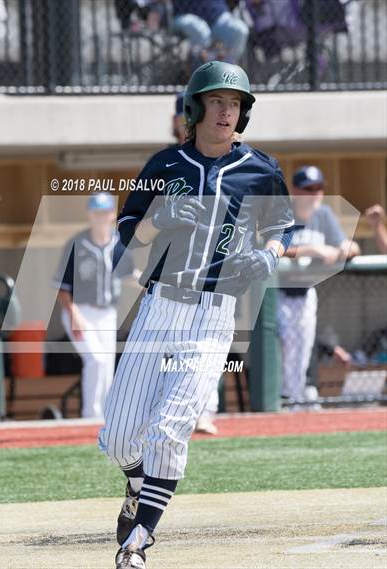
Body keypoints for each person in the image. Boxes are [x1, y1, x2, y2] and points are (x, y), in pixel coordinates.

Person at [98, 60, 294, 568]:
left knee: (169, 430)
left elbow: (283, 227)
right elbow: (128, 236)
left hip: (213, 315)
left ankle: (137, 542)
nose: (227, 111)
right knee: (118, 440)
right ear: (196, 107)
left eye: (235, 103)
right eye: (217, 101)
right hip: (159, 306)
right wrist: (157, 217)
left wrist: (269, 255)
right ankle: (137, 487)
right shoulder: (164, 165)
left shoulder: (261, 169)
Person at [277, 165, 360, 407]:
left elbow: (350, 247)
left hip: (305, 294)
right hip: (275, 295)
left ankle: (296, 399)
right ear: (295, 190)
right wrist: (310, 250)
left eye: (318, 188)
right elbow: (267, 247)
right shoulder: (283, 213)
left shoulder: (323, 215)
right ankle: (282, 400)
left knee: (302, 351)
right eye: (308, 189)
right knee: (282, 352)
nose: (314, 194)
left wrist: (346, 248)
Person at [53, 194, 136, 419]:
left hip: (107, 313)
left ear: (112, 214)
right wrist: (73, 315)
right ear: (90, 215)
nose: (101, 217)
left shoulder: (118, 243)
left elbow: (128, 274)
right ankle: (91, 415)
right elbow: (63, 286)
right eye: (96, 213)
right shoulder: (77, 243)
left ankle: (106, 419)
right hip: (79, 311)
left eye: (105, 212)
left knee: (107, 367)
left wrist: (153, 282)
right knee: (96, 359)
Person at [172, 91, 220, 435]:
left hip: (214, 265)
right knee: (173, 343)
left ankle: (203, 410)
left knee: (210, 343)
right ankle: (178, 410)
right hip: (175, 268)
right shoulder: (169, 161)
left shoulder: (222, 156)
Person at [172, 0, 249, 66]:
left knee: (240, 30)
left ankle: (227, 71)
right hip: (184, 13)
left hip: (217, 16)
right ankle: (202, 75)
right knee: (201, 30)